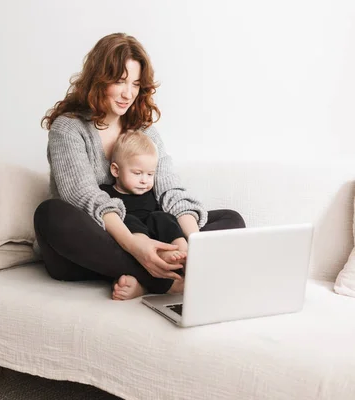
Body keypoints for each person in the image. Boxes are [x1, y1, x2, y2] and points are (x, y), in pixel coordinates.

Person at [34, 32, 245, 301]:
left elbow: (171, 191)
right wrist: (136, 246)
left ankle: (152, 277)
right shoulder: (69, 128)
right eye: (120, 82)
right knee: (50, 214)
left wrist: (196, 246)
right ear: (98, 80)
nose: (128, 94)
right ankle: (167, 281)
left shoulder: (144, 130)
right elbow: (83, 196)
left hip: (150, 233)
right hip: (94, 244)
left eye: (135, 84)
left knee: (231, 219)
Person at [99, 129, 189, 279]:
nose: (144, 180)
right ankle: (157, 257)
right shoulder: (104, 194)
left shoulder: (153, 192)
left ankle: (185, 254)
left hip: (158, 237)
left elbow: (168, 217)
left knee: (163, 217)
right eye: (137, 173)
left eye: (150, 174)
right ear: (116, 170)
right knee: (128, 219)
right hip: (133, 246)